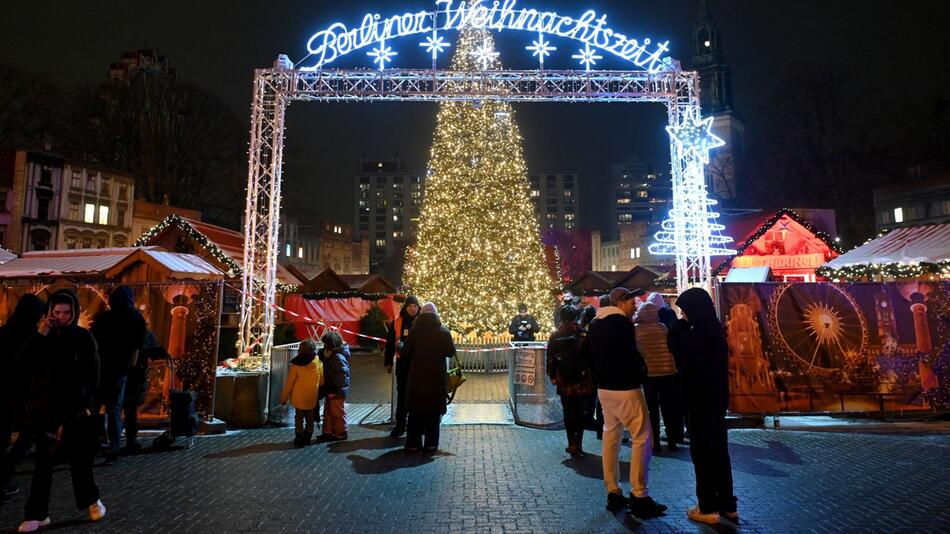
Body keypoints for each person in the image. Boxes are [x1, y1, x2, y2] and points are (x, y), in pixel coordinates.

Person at [19, 289, 105, 532]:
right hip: (45, 411)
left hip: (75, 411)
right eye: (56, 312)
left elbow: (93, 375)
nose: (61, 317)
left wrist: (85, 401)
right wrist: (40, 334)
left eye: (66, 313)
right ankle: (37, 514)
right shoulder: (42, 337)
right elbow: (25, 364)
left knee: (81, 463)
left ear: (74, 312)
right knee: (42, 466)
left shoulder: (83, 338)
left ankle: (91, 500)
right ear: (49, 312)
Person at [581, 287, 666, 518]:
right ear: (620, 302)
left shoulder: (596, 324)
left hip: (605, 389)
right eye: (631, 302)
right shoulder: (622, 324)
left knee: (611, 437)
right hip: (626, 387)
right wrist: (639, 370)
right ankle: (639, 494)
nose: (634, 305)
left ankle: (613, 491)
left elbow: (586, 354)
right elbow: (630, 355)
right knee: (642, 437)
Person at [668, 287, 737, 525]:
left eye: (684, 310)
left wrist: (680, 324)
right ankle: (728, 504)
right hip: (717, 400)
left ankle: (707, 506)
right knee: (719, 452)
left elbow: (675, 346)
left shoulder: (693, 336)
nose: (682, 315)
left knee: (703, 454)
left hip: (699, 401)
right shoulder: (715, 330)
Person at [90, 286, 146, 461]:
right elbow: (137, 347)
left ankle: (93, 443)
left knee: (95, 406)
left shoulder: (103, 318)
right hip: (121, 369)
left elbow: (93, 343)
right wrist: (131, 367)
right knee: (114, 407)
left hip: (100, 368)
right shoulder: (136, 318)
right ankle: (114, 446)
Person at [0, 294, 46, 501]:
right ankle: (5, 474)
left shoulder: (4, 332)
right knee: (27, 435)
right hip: (20, 395)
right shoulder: (33, 336)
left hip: (6, 393)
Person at [402, 302, 456, 452]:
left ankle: (413, 443)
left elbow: (406, 352)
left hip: (417, 379)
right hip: (436, 379)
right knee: (433, 413)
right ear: (436, 314)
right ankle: (431, 443)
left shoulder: (415, 331)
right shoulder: (443, 331)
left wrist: (401, 347)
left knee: (415, 412)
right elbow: (451, 352)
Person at [634, 302, 684, 453]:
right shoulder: (662, 327)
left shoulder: (636, 330)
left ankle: (655, 442)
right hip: (667, 372)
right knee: (668, 407)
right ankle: (672, 440)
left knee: (652, 410)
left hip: (649, 375)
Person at [546, 305, 594, 458]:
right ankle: (579, 442)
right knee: (580, 410)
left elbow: (551, 359)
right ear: (575, 316)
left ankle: (571, 442)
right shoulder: (583, 333)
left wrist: (552, 376)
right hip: (582, 379)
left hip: (564, 379)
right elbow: (590, 357)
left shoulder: (556, 335)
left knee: (568, 410)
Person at [122, 330, 168, 453]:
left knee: (115, 409)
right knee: (129, 409)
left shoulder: (112, 327)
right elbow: (154, 352)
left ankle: (109, 440)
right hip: (135, 375)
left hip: (119, 374)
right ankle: (130, 440)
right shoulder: (145, 334)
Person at [384, 295, 420, 438]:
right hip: (403, 364)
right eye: (411, 306)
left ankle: (416, 425)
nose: (413, 308)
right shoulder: (397, 322)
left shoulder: (421, 322)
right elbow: (390, 342)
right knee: (402, 395)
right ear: (406, 307)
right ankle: (400, 425)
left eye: (415, 306)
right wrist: (388, 362)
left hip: (417, 364)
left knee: (417, 395)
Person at [280, 339, 323, 447]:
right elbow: (322, 380)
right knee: (310, 418)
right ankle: (308, 438)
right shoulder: (318, 361)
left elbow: (290, 382)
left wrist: (283, 398)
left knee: (298, 418)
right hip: (312, 396)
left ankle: (299, 437)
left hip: (299, 396)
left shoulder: (296, 364)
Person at [318, 332, 350, 442]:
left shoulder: (337, 357)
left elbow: (342, 376)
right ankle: (328, 432)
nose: (324, 346)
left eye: (326, 343)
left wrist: (334, 389)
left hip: (336, 391)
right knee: (328, 411)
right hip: (331, 389)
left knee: (337, 413)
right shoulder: (331, 355)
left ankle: (341, 433)